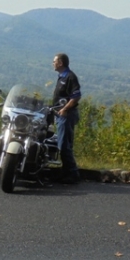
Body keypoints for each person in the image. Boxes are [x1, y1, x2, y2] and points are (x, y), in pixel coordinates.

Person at [52, 53, 81, 184]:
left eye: (54, 61)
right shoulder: (61, 77)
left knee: (64, 145)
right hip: (60, 115)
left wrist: (64, 109)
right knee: (62, 144)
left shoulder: (70, 77)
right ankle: (65, 173)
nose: (53, 63)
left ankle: (73, 173)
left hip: (67, 115)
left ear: (61, 63)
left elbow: (76, 96)